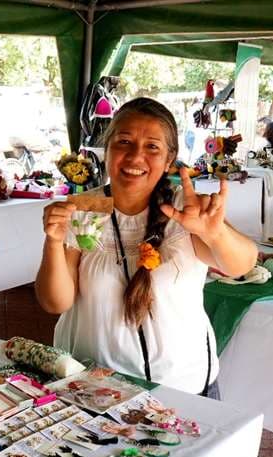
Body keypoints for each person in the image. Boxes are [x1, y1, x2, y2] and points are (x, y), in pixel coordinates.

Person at [36, 97, 256, 397]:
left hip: (180, 391)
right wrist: (53, 241)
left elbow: (241, 265)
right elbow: (55, 303)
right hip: (92, 387)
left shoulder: (185, 208)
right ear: (108, 149)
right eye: (123, 142)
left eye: (152, 146)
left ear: (169, 159)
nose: (135, 156)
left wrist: (215, 233)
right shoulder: (85, 207)